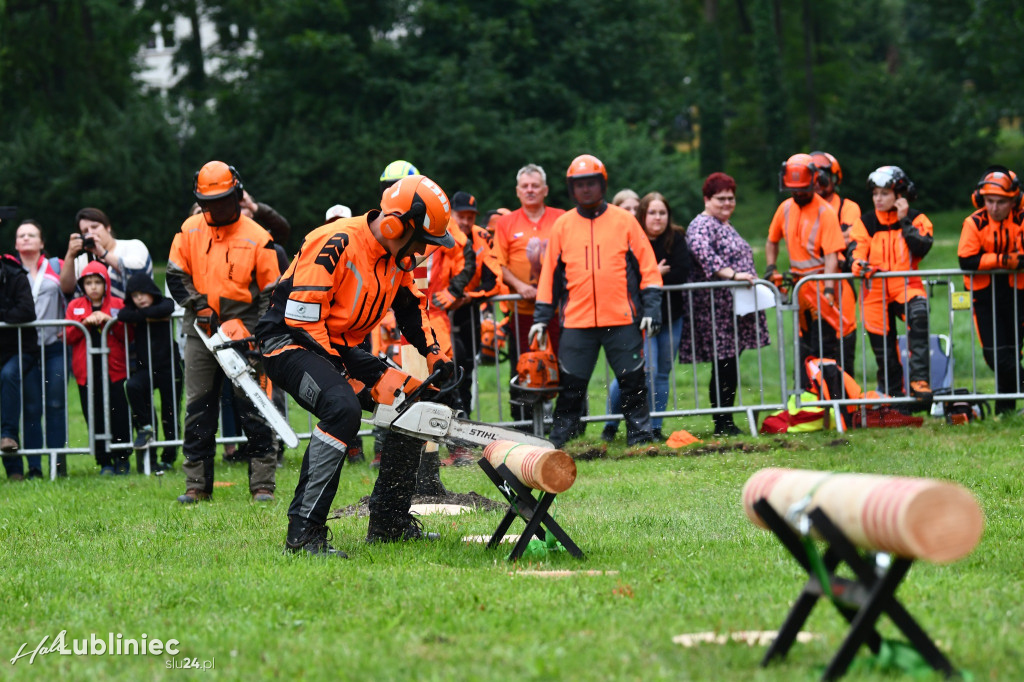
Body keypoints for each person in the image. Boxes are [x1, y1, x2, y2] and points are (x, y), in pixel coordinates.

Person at [256, 173, 456, 557]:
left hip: (338, 345)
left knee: (411, 402)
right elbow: (303, 319)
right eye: (422, 241)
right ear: (397, 224)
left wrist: (434, 352)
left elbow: (411, 307)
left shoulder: (398, 257)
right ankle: (303, 534)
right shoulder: (336, 241)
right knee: (342, 407)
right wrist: (345, 377)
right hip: (288, 341)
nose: (422, 251)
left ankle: (389, 523)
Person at [166, 160, 282, 503]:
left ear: (236, 194)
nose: (214, 208)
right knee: (199, 406)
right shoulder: (189, 230)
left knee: (254, 405)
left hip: (244, 325)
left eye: (221, 200)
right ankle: (196, 484)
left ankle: (262, 483)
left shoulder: (258, 237)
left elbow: (271, 292)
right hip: (200, 327)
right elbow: (175, 274)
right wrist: (197, 304)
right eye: (208, 202)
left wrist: (258, 333)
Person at [532, 154, 663, 447]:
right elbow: (549, 278)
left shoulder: (625, 220)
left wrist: (652, 308)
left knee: (633, 382)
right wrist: (541, 318)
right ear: (571, 188)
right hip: (577, 321)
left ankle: (641, 439)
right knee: (570, 386)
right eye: (580, 184)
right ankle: (558, 442)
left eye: (591, 183)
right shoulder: (563, 226)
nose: (586, 189)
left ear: (602, 185)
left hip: (622, 319)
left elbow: (649, 268)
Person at [682, 172, 770, 436]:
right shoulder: (701, 225)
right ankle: (722, 422)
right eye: (720, 199)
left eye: (731, 198)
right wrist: (732, 275)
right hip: (714, 308)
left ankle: (726, 420)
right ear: (707, 199)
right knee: (724, 364)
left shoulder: (726, 224)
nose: (727, 203)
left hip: (734, 308)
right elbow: (701, 251)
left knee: (729, 363)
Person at [603, 192, 693, 442]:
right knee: (637, 372)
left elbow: (681, 273)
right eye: (652, 212)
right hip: (641, 317)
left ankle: (655, 427)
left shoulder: (676, 238)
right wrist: (656, 272)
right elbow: (629, 277)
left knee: (662, 372)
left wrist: (653, 274)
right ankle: (610, 424)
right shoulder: (633, 237)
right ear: (643, 215)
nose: (657, 218)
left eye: (662, 213)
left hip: (672, 317)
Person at [765, 153, 856, 383]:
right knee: (805, 346)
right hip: (801, 289)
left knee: (827, 344)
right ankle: (808, 397)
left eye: (803, 190)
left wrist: (827, 288)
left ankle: (835, 400)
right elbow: (772, 239)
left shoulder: (826, 212)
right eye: (794, 191)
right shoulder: (785, 208)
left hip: (822, 288)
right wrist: (771, 266)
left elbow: (831, 256)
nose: (798, 195)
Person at [850, 166, 933, 401]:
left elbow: (921, 247)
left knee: (919, 316)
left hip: (907, 285)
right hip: (874, 291)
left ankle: (920, 382)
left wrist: (904, 220)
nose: (878, 199)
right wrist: (859, 264)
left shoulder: (917, 218)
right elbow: (855, 251)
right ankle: (894, 398)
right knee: (883, 351)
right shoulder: (865, 222)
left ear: (899, 195)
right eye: (875, 193)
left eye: (884, 193)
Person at [493, 164, 566, 424]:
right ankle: (523, 422)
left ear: (545, 190)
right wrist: (520, 286)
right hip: (520, 311)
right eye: (525, 186)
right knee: (523, 366)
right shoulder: (505, 223)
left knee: (565, 364)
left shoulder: (562, 218)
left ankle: (567, 423)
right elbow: (497, 263)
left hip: (558, 309)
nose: (530, 190)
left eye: (535, 185)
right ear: (517, 191)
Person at [958, 166, 1024, 415]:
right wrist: (1005, 260)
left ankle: (1004, 412)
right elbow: (966, 260)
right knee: (994, 356)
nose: (994, 208)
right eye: (989, 201)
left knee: (1011, 351)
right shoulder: (974, 222)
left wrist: (990, 258)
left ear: (1013, 201)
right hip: (984, 295)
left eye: (1000, 202)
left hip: (1016, 291)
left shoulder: (1021, 219)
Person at [437, 191, 502, 425]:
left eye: (470, 217)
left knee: (466, 366)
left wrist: (469, 297)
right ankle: (440, 423)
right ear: (451, 214)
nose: (465, 222)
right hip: (438, 311)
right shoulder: (437, 234)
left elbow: (495, 279)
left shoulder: (483, 237)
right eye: (460, 216)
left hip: (467, 308)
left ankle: (464, 423)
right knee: (443, 367)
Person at [65, 262, 132, 474]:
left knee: (119, 413)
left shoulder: (118, 304)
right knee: (93, 415)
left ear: (106, 284)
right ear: (82, 285)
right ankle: (103, 461)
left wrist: (109, 321)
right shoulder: (74, 305)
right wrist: (84, 323)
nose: (93, 287)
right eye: (88, 282)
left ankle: (122, 458)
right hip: (86, 372)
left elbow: (127, 336)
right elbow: (69, 336)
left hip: (113, 370)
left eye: (97, 282)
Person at [14, 220, 67, 477]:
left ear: (41, 242)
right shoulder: (10, 270)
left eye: (31, 235)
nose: (26, 239)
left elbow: (72, 294)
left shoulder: (56, 267)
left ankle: (58, 464)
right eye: (21, 235)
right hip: (25, 348)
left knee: (56, 404)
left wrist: (68, 326)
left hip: (55, 346)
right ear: (15, 243)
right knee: (31, 407)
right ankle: (34, 466)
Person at [119, 273, 182, 472]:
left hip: (170, 368)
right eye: (135, 295)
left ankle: (169, 457)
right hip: (146, 368)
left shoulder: (164, 303)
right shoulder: (136, 311)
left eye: (143, 293)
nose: (140, 299)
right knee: (133, 386)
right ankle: (146, 429)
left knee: (170, 413)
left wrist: (144, 316)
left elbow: (168, 307)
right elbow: (123, 315)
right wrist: (149, 316)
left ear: (152, 292)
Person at [59, 207, 153, 302]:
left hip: (134, 314)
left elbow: (139, 274)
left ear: (108, 227)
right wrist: (70, 255)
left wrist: (103, 253)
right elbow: (66, 289)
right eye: (85, 231)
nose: (91, 233)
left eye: (94, 227)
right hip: (94, 316)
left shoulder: (133, 245)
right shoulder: (81, 261)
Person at [0, 252, 39, 480]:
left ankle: (8, 437)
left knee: (8, 376)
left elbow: (27, 311)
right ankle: (14, 471)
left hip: (21, 349)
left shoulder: (15, 275)